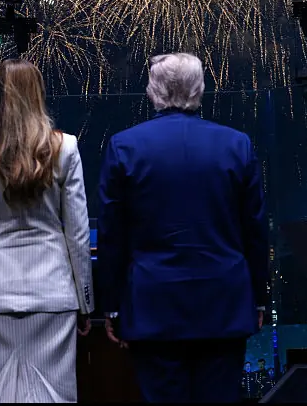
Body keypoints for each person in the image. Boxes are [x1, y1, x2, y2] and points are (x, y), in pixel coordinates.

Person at [97, 52, 269, 403]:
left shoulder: (124, 146)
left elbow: (112, 234)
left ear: (153, 91)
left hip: (152, 304)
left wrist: (112, 305)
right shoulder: (238, 145)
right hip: (224, 303)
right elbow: (255, 229)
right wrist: (259, 298)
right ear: (200, 88)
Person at [0, 59, 94, 403]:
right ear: (38, 95)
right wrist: (86, 302)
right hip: (53, 294)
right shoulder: (66, 147)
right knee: (54, 397)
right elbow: (77, 235)